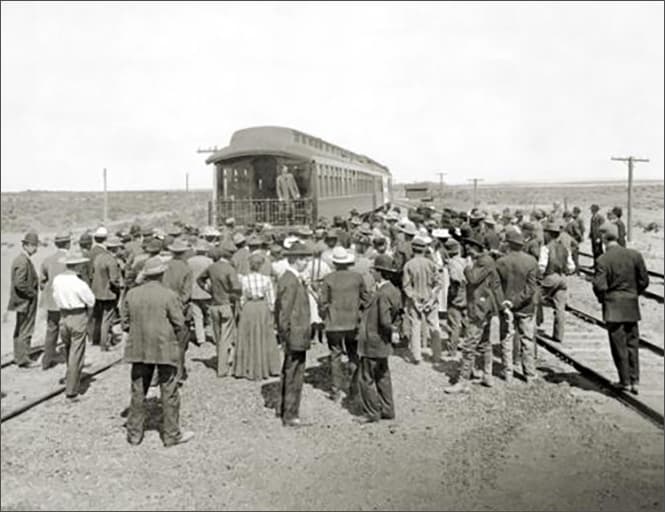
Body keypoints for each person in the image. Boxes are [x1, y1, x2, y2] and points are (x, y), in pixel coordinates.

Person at [121, 257, 193, 447]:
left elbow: (125, 323)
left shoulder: (132, 294)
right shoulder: (169, 295)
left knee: (138, 391)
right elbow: (179, 323)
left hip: (138, 349)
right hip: (164, 348)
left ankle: (134, 435)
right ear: (162, 274)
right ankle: (171, 435)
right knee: (169, 391)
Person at [592, 223, 649, 394]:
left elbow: (600, 286)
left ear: (603, 238)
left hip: (613, 307)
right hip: (631, 305)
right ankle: (635, 380)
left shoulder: (603, 260)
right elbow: (644, 281)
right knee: (632, 343)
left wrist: (606, 300)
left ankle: (624, 381)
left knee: (618, 345)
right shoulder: (635, 255)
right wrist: (633, 294)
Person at [445, 238, 506, 393]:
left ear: (475, 248)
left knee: (468, 346)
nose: (467, 252)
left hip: (479, 309)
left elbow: (472, 278)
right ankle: (487, 375)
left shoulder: (483, 261)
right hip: (484, 308)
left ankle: (463, 381)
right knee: (485, 344)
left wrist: (466, 267)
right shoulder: (486, 260)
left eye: (469, 249)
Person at [356, 255, 402, 424]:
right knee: (383, 376)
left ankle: (371, 413)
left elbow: (384, 320)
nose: (372, 273)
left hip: (373, 341)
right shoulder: (393, 290)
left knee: (366, 378)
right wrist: (394, 332)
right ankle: (388, 409)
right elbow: (396, 315)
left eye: (373, 270)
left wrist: (390, 329)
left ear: (380, 273)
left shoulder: (382, 293)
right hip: (383, 343)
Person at [319, 247, 368, 402]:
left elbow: (323, 302)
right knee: (353, 354)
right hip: (353, 322)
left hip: (334, 322)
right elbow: (365, 299)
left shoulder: (328, 278)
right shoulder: (357, 277)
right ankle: (354, 389)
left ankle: (336, 390)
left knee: (335, 355)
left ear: (334, 262)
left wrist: (323, 316)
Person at [275, 242, 312, 427]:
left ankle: (283, 408)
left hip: (296, 333)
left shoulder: (292, 278)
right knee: (294, 374)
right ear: (295, 260)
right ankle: (290, 415)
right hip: (295, 334)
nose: (306, 262)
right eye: (304, 259)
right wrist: (286, 336)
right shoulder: (290, 280)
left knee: (291, 371)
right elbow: (284, 312)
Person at [52, 249, 96, 401]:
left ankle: (70, 376)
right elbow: (91, 301)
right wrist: (88, 317)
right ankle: (71, 390)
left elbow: (55, 296)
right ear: (77, 266)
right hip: (78, 315)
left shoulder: (57, 280)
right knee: (76, 353)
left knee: (69, 349)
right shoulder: (79, 283)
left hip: (63, 316)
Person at [495, 231, 539, 382]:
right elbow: (531, 288)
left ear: (508, 244)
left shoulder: (501, 261)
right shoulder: (531, 261)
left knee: (506, 338)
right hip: (525, 307)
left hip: (506, 306)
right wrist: (517, 301)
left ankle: (508, 373)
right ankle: (529, 374)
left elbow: (496, 286)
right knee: (527, 340)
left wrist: (506, 302)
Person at [233, 253, 281, 380]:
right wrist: (271, 312)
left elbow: (242, 297)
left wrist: (243, 307)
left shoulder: (244, 279)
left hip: (249, 307)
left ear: (250, 265)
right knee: (265, 335)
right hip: (261, 307)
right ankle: (267, 367)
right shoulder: (266, 279)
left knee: (247, 336)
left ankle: (247, 367)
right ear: (261, 266)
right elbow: (271, 300)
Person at [196, 243, 241, 377]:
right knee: (226, 338)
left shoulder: (212, 267)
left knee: (218, 335)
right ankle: (223, 368)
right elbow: (236, 288)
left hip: (214, 305)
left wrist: (208, 290)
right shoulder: (230, 269)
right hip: (227, 305)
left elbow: (199, 280)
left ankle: (221, 361)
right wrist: (234, 298)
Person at [403, 236, 443, 364]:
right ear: (424, 249)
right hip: (430, 297)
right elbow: (439, 283)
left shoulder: (408, 265)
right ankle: (437, 356)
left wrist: (414, 300)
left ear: (412, 249)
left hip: (415, 299)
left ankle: (417, 356)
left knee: (415, 327)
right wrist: (432, 299)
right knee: (434, 326)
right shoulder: (431, 264)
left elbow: (406, 286)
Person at [161, 239, 193, 383]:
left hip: (163, 307)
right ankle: (178, 374)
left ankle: (160, 374)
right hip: (180, 309)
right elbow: (186, 294)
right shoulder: (186, 269)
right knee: (180, 344)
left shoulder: (164, 266)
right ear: (184, 252)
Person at [8, 231, 41, 368]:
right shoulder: (23, 261)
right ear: (26, 246)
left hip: (20, 301)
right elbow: (19, 283)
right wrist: (32, 293)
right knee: (26, 330)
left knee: (20, 329)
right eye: (33, 246)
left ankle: (18, 356)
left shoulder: (20, 259)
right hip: (25, 302)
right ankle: (24, 359)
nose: (36, 248)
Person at [538, 221, 575, 342]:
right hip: (562, 278)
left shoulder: (546, 248)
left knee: (535, 298)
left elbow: (542, 266)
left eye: (545, 233)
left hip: (550, 277)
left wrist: (539, 277)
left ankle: (536, 324)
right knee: (560, 307)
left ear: (548, 234)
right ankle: (558, 336)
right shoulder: (565, 249)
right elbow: (571, 267)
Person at [39, 232, 71, 370]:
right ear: (68, 243)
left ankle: (47, 361)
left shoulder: (47, 260)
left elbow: (42, 282)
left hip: (52, 301)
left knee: (51, 329)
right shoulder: (71, 259)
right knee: (69, 330)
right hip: (67, 301)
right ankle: (71, 360)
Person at [91, 236, 123, 351]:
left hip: (97, 292)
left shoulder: (98, 257)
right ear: (115, 248)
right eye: (119, 247)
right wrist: (120, 287)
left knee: (98, 317)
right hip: (108, 293)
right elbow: (114, 279)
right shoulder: (112, 261)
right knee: (107, 319)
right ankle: (104, 344)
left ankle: (96, 339)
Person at [445, 239, 467, 358]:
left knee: (453, 323)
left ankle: (452, 349)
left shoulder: (452, 263)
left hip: (456, 294)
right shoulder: (465, 261)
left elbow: (454, 277)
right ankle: (467, 345)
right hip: (466, 293)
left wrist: (455, 287)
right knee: (466, 322)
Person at [188, 240, 213, 347]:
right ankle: (213, 336)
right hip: (207, 291)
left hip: (193, 291)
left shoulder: (189, 261)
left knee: (197, 316)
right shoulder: (209, 261)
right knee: (210, 316)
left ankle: (201, 339)